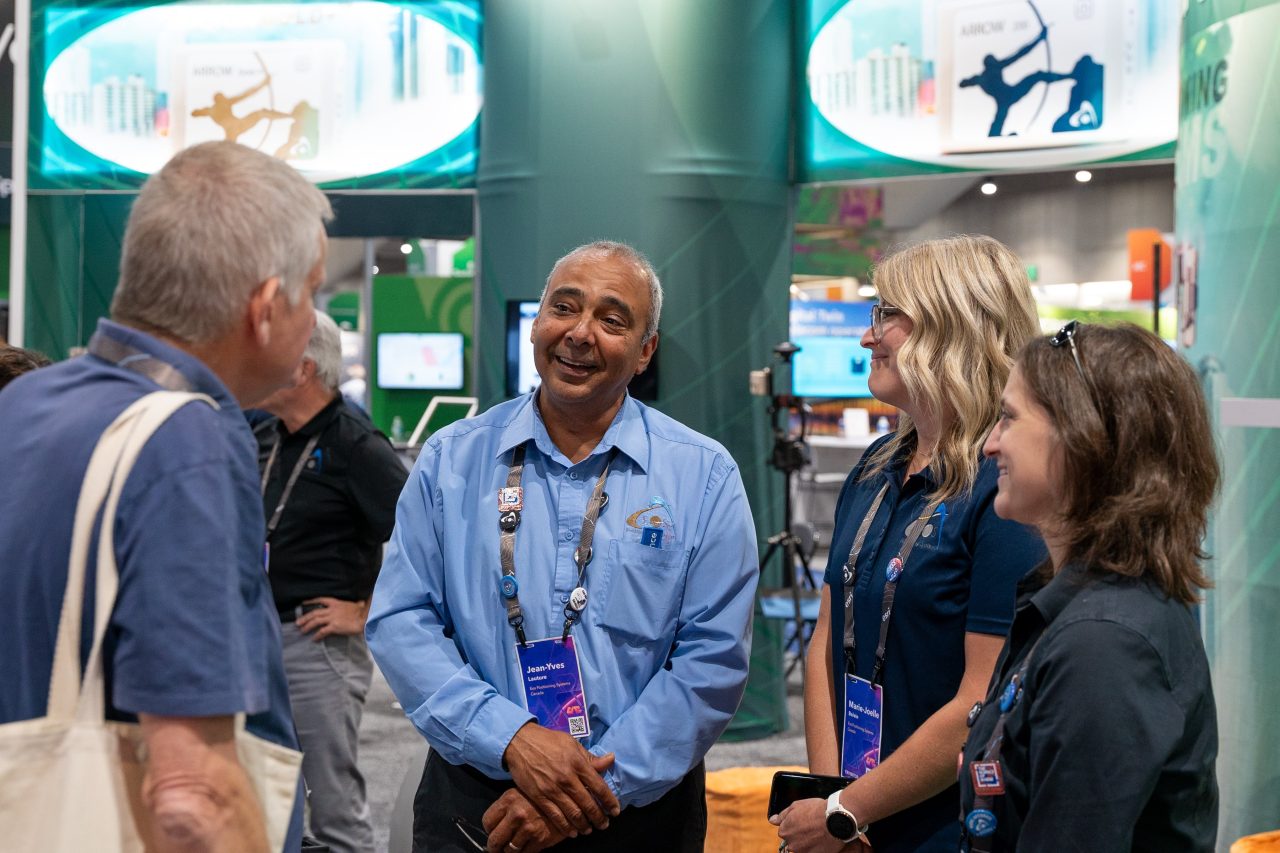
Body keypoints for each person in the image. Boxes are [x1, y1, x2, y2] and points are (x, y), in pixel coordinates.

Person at [367, 240, 759, 853]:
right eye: (564, 308)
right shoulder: (452, 459)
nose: (580, 334)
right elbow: (401, 618)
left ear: (645, 351)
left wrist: (592, 787)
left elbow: (711, 658)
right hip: (479, 799)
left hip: (637, 808)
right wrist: (511, 738)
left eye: (612, 320)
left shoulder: (702, 475)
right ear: (537, 325)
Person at [0, 140, 332, 851]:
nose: (314, 325)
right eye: (315, 292)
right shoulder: (187, 441)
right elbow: (194, 796)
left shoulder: (26, 403)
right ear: (267, 308)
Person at [775, 235, 1047, 853]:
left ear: (954, 326)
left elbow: (983, 698)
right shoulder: (875, 466)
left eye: (885, 315)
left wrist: (847, 808)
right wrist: (830, 796)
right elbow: (824, 644)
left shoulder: (1003, 489)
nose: (866, 337)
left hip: (945, 826)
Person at [959, 321, 1218, 851]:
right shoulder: (1077, 606)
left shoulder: (1104, 643)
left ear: (1084, 437)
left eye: (1008, 419)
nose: (989, 446)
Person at [254, 310, 408, 853]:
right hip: (259, 639)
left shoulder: (356, 445)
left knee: (333, 806)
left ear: (302, 368)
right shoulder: (266, 433)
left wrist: (362, 612)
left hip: (315, 644)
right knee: (271, 797)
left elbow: (427, 542)